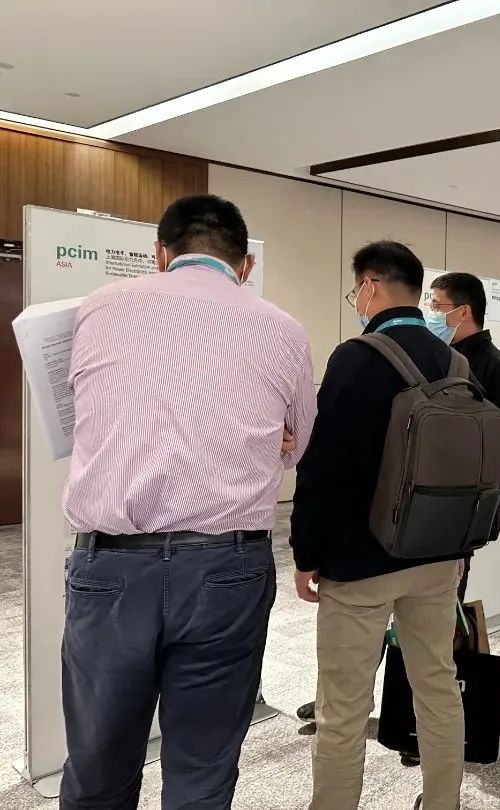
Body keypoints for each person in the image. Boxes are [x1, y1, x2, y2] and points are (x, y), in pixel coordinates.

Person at [61, 195, 316, 809]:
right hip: (227, 567)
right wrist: (269, 444)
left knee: (97, 765)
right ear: (246, 265)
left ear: (160, 254)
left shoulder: (99, 307)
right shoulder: (283, 329)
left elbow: (80, 415)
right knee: (203, 768)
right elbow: (299, 442)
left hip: (110, 565)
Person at [290, 241, 467, 810]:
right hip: (437, 557)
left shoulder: (356, 357)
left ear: (369, 286)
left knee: (343, 708)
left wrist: (306, 553)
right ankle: (443, 803)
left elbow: (322, 466)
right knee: (437, 687)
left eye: (356, 291)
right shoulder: (455, 363)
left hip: (361, 561)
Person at [429, 271, 500, 601]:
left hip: (459, 514)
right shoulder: (439, 358)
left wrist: (477, 516)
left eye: (437, 306)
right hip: (424, 502)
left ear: (464, 312)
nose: (432, 314)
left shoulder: (498, 370)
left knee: (446, 606)